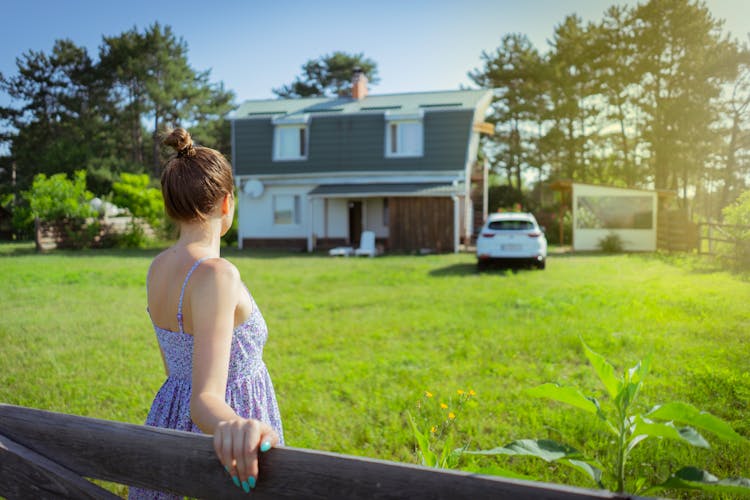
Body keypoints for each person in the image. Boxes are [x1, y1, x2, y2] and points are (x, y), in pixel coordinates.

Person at [129, 128, 283, 499]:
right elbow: (204, 399)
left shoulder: (158, 268)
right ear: (227, 203)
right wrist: (238, 427)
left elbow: (175, 369)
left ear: (171, 207)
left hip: (167, 421)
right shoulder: (216, 274)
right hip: (223, 439)